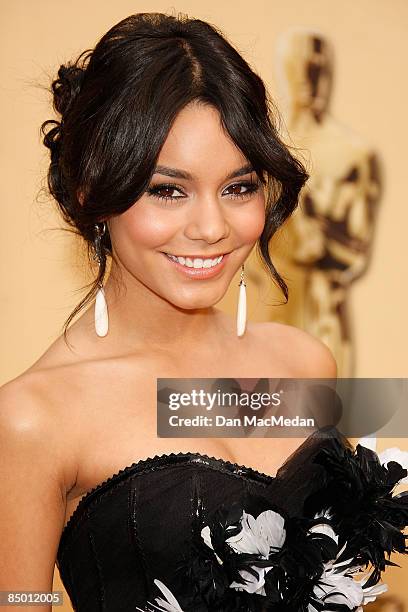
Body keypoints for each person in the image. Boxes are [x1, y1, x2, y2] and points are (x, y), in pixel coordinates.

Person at [0, 11, 406, 612]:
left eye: (239, 187)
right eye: (168, 190)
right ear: (92, 190)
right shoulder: (33, 420)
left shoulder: (302, 363)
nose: (212, 228)